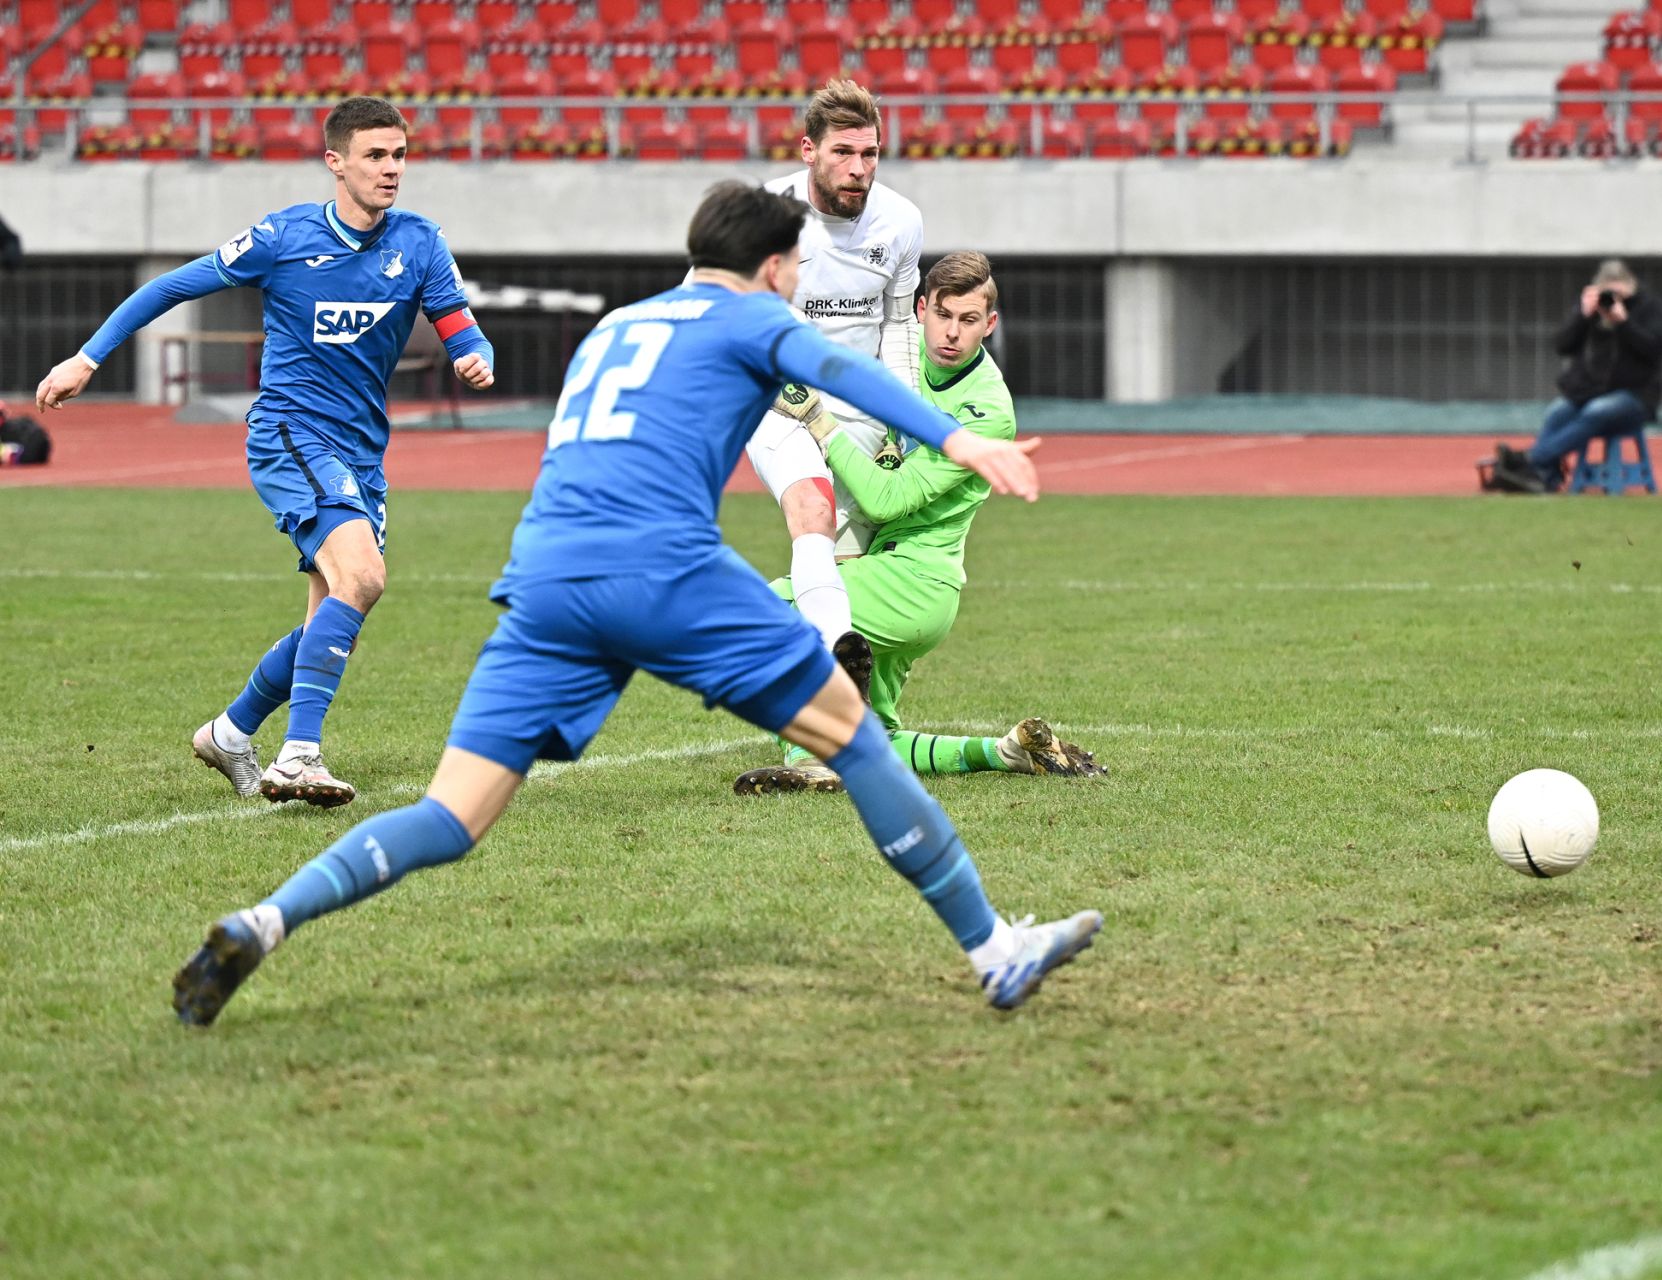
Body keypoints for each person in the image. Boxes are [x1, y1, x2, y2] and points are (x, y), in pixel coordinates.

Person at [170, 182, 1104, 1028]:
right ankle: (996, 952)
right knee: (855, 739)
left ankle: (265, 918)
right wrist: (962, 440)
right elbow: (849, 379)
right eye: (796, 269)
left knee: (453, 816)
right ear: (773, 266)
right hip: (662, 569)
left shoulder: (620, 323)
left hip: (546, 578)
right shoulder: (751, 318)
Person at [34, 96, 495, 807]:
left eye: (400, 154)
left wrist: (475, 356)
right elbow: (170, 285)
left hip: (361, 452)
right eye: (376, 155)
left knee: (337, 605)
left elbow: (460, 324)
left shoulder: (421, 242)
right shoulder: (283, 238)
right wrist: (87, 359)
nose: (392, 169)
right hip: (291, 431)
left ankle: (230, 731)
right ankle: (299, 757)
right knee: (364, 577)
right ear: (335, 163)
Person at [735, 250, 1105, 795]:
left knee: (762, 615)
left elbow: (886, 500)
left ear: (990, 324)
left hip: (913, 584)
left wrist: (818, 420)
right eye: (944, 315)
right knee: (877, 737)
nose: (952, 333)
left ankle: (811, 757)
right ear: (921, 309)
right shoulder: (899, 363)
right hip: (885, 572)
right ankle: (1008, 753)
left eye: (969, 320)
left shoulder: (986, 411)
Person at [748, 79, 924, 660]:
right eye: (842, 153)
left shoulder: (900, 222)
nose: (858, 168)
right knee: (812, 513)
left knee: (851, 563)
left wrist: (905, 418)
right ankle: (835, 656)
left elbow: (900, 325)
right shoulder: (764, 215)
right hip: (781, 403)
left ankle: (815, 696)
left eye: (869, 153)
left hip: (860, 406)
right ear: (808, 151)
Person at [1490, 258, 1662, 494]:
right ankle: (1544, 477)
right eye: (1608, 293)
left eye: (1618, 293)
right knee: (1557, 411)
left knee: (1597, 411)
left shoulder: (1649, 308)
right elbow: (1563, 345)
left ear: (1630, 286)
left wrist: (1624, 322)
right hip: (1590, 390)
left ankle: (1528, 460)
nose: (1612, 301)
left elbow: (1654, 350)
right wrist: (1583, 316)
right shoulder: (1593, 312)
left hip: (1636, 396)